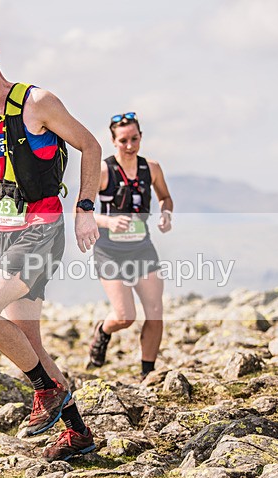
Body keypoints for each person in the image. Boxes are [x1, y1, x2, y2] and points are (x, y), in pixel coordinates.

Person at [0, 34, 101, 461]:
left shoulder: (38, 102)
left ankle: (46, 389)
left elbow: (91, 146)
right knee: (28, 339)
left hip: (41, 226)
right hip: (3, 228)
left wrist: (85, 207)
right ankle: (77, 432)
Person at [88, 112, 173, 379]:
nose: (129, 145)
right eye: (123, 140)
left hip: (141, 247)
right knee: (125, 317)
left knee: (155, 311)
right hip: (110, 251)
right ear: (114, 141)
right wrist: (109, 222)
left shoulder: (152, 168)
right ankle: (103, 331)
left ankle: (148, 373)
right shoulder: (103, 170)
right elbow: (83, 213)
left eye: (134, 139)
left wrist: (166, 213)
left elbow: (165, 197)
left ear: (140, 137)